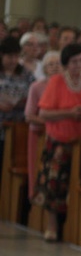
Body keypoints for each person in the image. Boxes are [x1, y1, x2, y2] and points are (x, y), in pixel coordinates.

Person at [34, 44, 81, 242]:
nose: (78, 65)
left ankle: (75, 228)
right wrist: (69, 112)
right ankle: (52, 226)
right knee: (55, 184)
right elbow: (44, 113)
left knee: (78, 184)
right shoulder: (57, 81)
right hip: (59, 142)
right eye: (74, 61)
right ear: (66, 63)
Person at [25, 51, 61, 200]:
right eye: (50, 65)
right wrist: (50, 122)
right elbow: (29, 116)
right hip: (39, 134)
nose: (54, 67)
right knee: (38, 171)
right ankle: (35, 198)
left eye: (57, 64)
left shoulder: (65, 86)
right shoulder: (37, 86)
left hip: (59, 135)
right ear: (45, 68)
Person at [0, 37, 35, 171]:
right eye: (10, 56)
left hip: (18, 125)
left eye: (16, 56)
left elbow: (35, 94)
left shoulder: (25, 73)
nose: (13, 60)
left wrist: (21, 102)